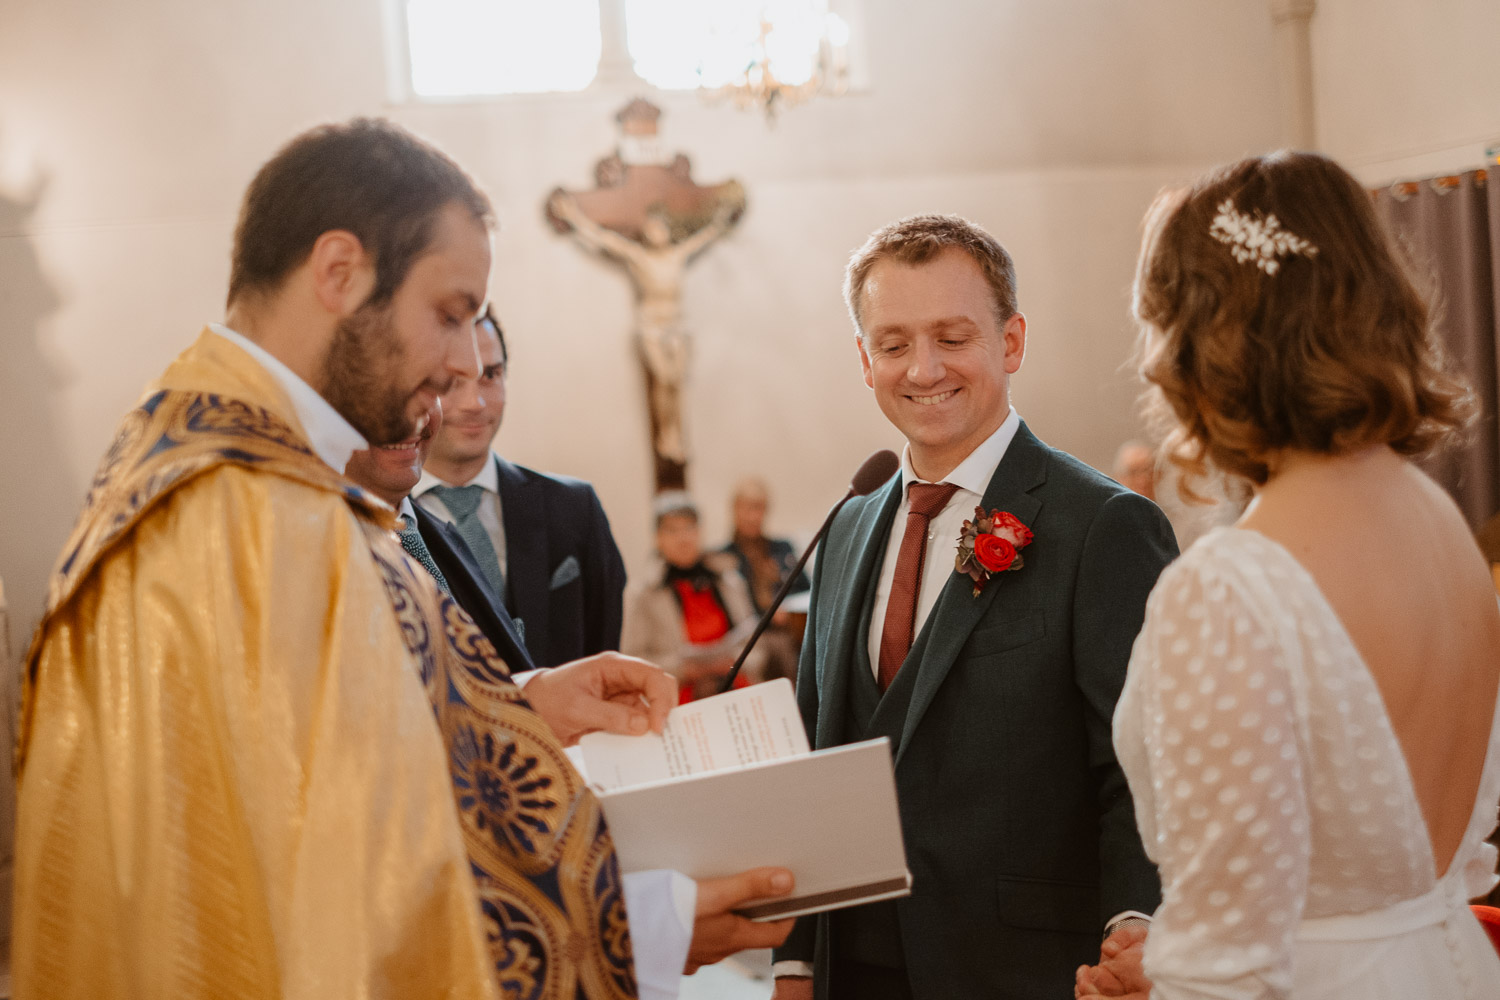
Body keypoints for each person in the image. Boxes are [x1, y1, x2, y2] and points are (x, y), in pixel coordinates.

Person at [14, 117, 792, 1000]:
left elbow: (319, 762)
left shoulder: (224, 473)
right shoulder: (254, 519)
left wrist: (526, 707)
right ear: (340, 272)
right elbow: (350, 905)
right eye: (449, 314)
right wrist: (637, 926)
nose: (465, 362)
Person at [1078, 151, 1500, 999]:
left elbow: (1226, 976)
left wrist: (1160, 983)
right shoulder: (1444, 526)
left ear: (1201, 344)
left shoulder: (1230, 588)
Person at [772, 214, 1177, 999]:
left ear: (1011, 342)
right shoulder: (849, 523)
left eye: (952, 337)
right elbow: (814, 758)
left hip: (1023, 968)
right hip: (850, 968)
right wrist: (796, 958)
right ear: (865, 359)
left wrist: (1135, 923)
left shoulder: (1103, 526)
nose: (923, 369)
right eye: (893, 345)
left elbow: (1140, 768)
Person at [417, 306, 628, 667]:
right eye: (450, 380)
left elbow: (602, 646)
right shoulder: (383, 521)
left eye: (491, 375)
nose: (475, 403)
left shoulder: (575, 509)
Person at [622, 493, 766, 703]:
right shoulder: (643, 593)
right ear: (658, 538)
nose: (683, 538)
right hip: (678, 699)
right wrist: (685, 669)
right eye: (672, 530)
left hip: (737, 690)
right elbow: (633, 662)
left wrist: (732, 662)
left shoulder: (729, 580)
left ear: (700, 532)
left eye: (689, 528)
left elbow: (757, 646)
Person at [719, 477, 808, 681]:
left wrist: (789, 610)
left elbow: (808, 590)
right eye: (746, 508)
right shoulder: (723, 557)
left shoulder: (783, 548)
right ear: (734, 510)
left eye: (758, 508)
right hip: (751, 635)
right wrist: (766, 614)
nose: (752, 516)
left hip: (792, 630)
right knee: (778, 651)